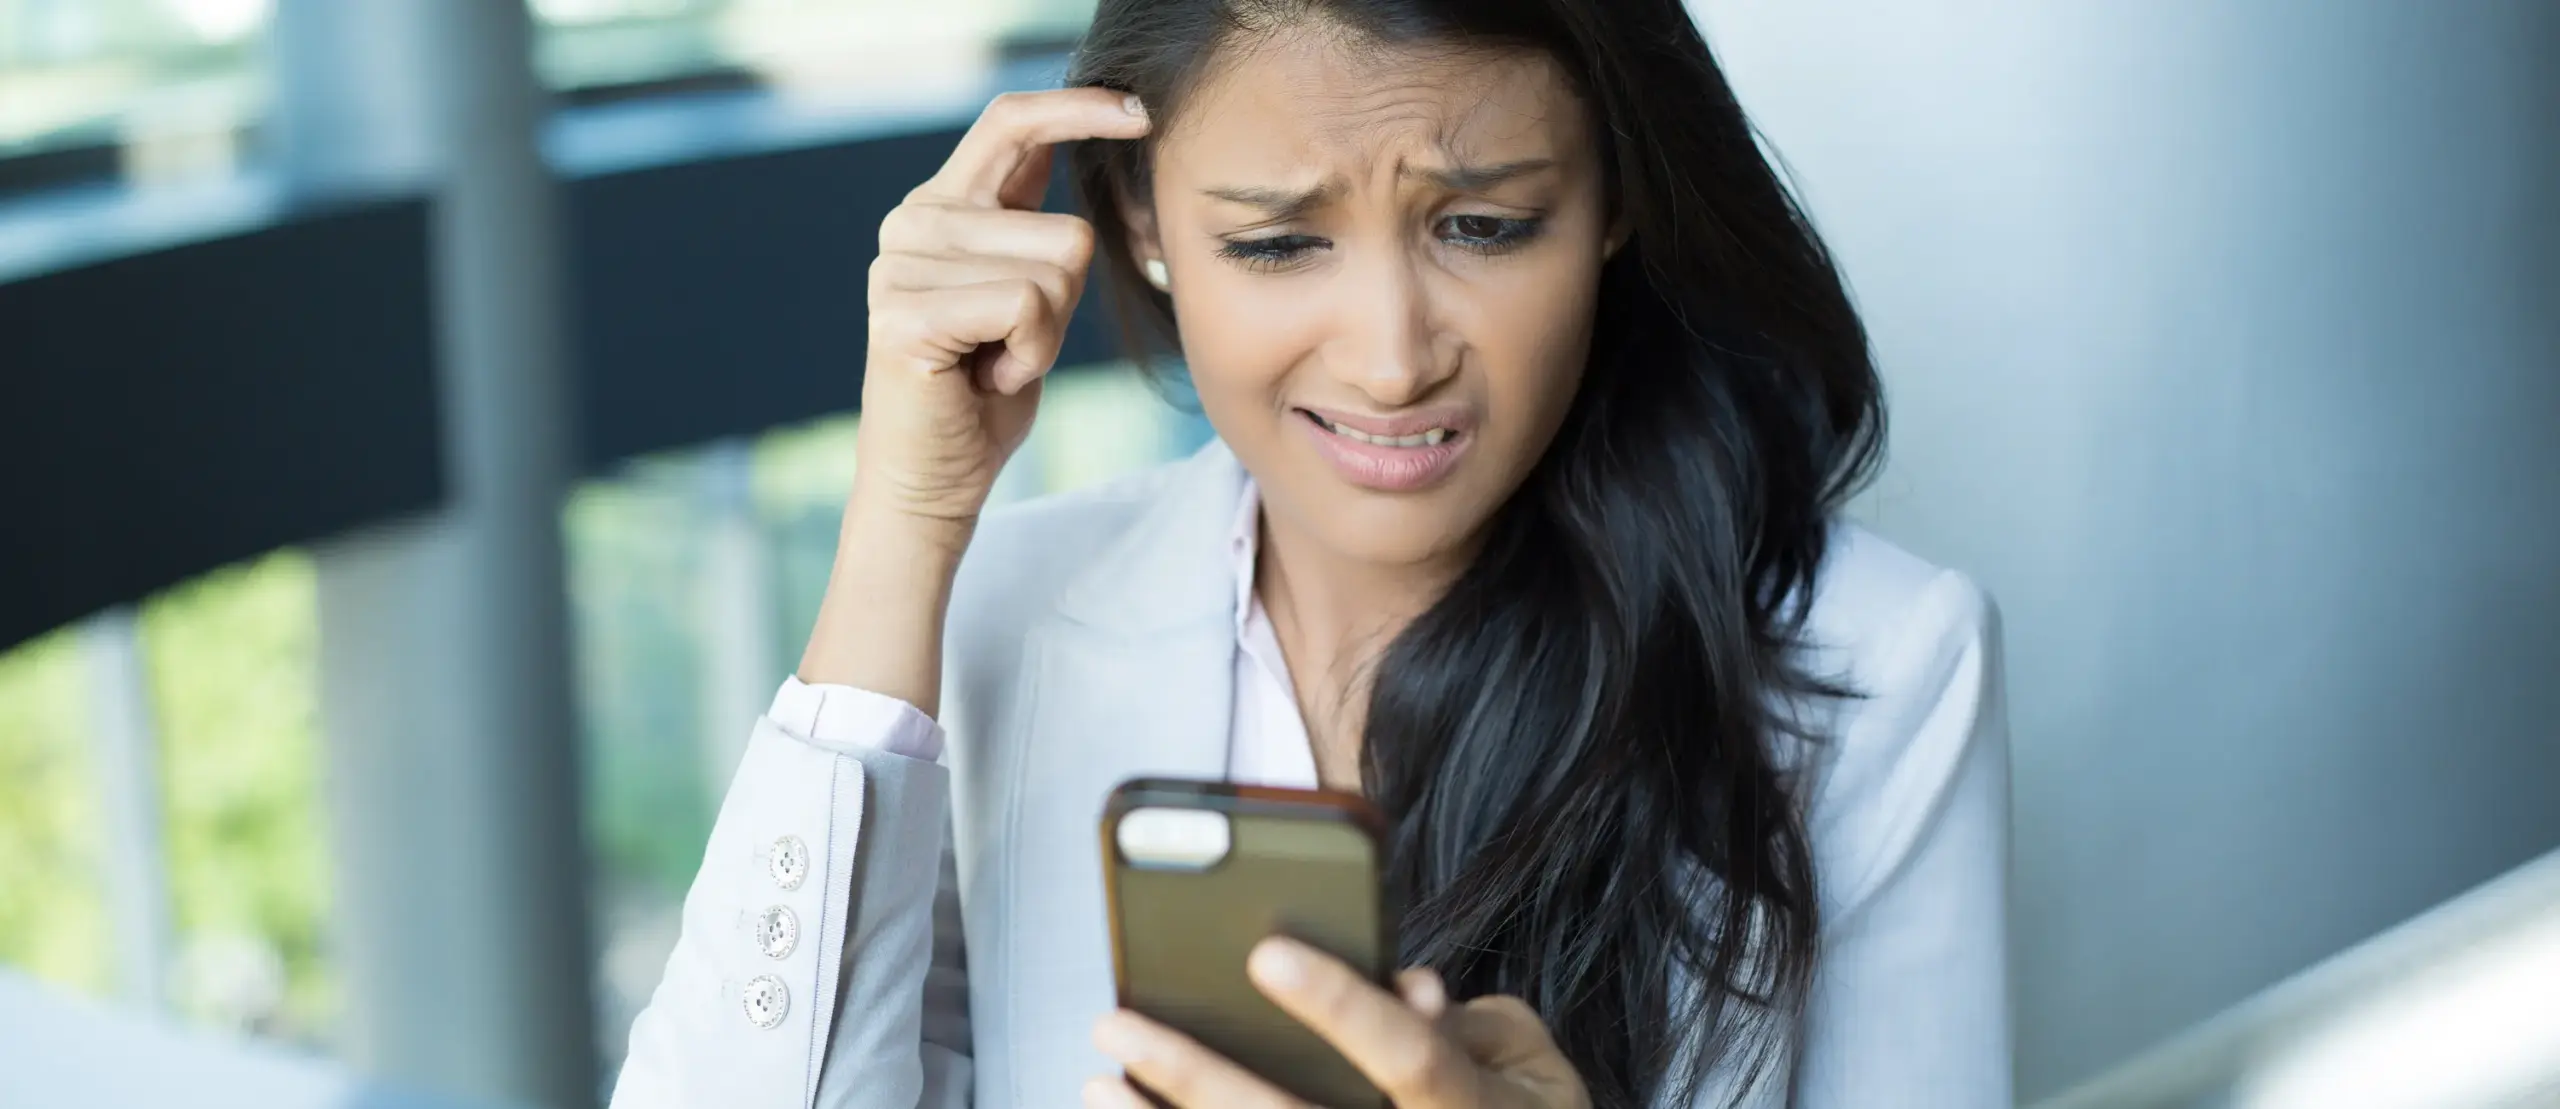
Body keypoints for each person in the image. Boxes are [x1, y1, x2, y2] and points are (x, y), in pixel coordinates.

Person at [610, 0, 2010, 1105]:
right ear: (1148, 223)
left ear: (1614, 204)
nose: (1394, 360)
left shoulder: (1873, 671)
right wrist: (905, 527)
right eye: (1279, 245)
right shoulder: (1005, 617)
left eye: (1487, 226)